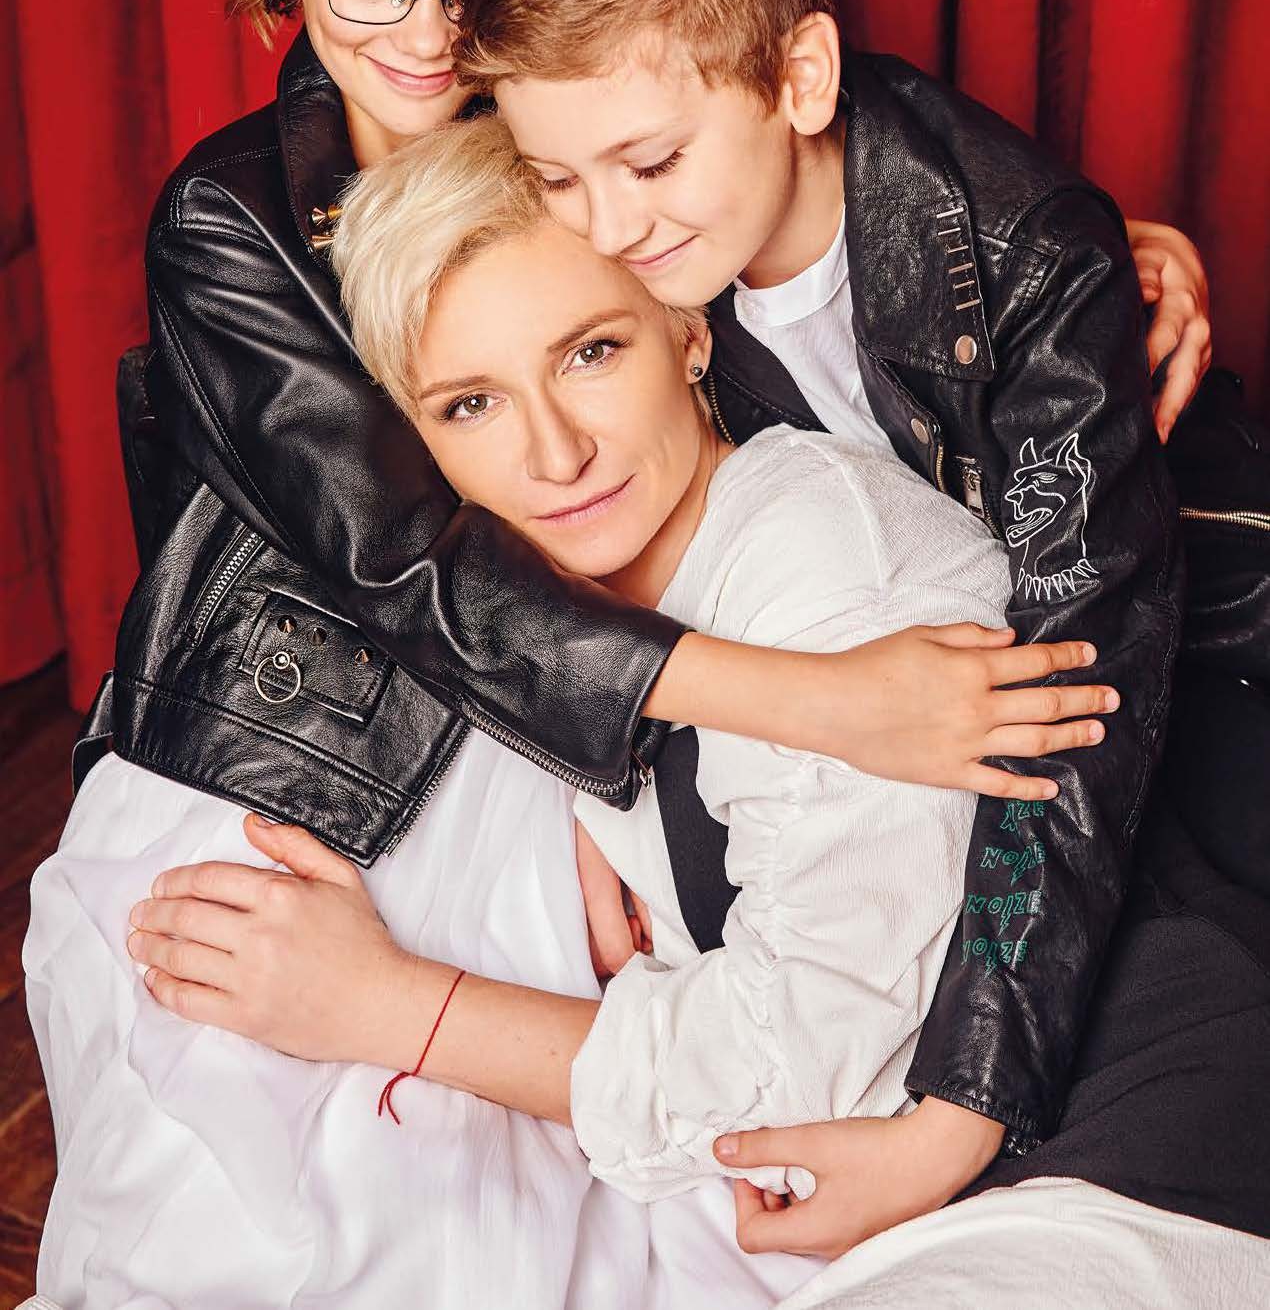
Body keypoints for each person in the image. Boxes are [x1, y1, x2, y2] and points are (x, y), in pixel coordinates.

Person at [66, 0, 1205, 1250]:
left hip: (661, 690)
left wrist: (1066, 249)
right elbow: (418, 568)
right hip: (343, 723)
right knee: (283, 1179)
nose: (422, 35)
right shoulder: (239, 216)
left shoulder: (589, 127)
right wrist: (799, 708)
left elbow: (774, 129)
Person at [114, 119, 1270, 1310]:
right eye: (471, 404)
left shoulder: (823, 557)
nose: (555, 451)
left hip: (1136, 1169)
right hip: (927, 1210)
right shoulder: (560, 624)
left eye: (591, 352)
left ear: (687, 330)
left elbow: (806, 1065)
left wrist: (388, 1005)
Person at [449, 0, 1193, 1217]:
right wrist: (583, 791)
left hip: (1142, 717)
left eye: (648, 162)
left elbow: (1078, 712)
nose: (605, 226)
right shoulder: (669, 251)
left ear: (800, 77)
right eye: (554, 175)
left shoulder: (1026, 260)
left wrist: (955, 1115)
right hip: (868, 766)